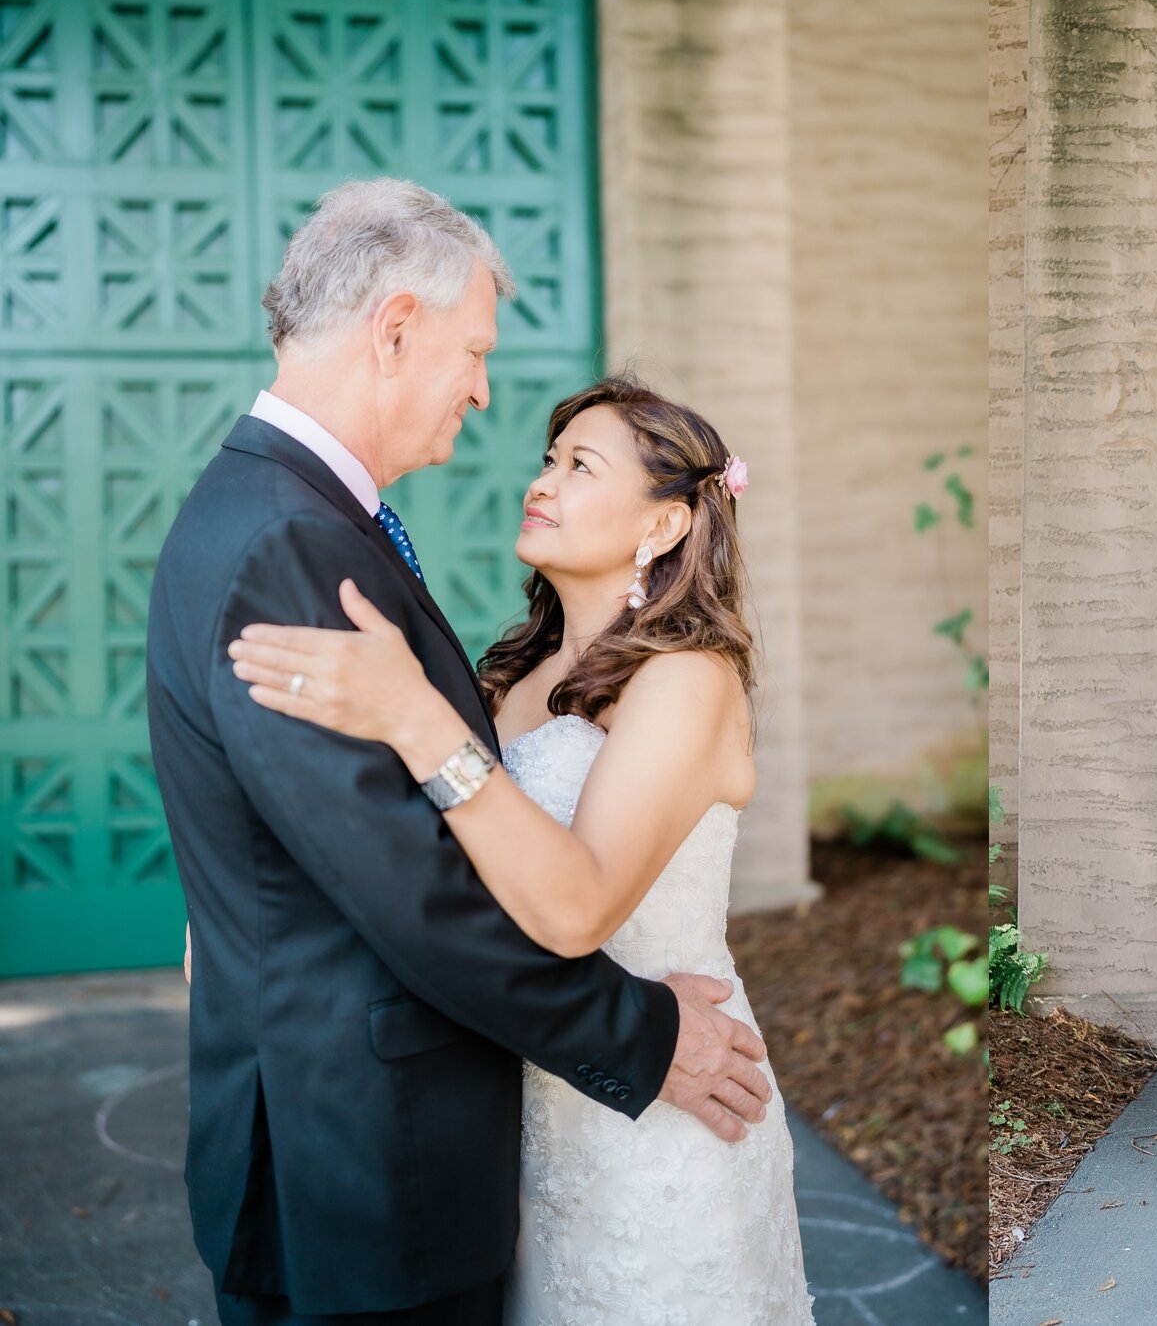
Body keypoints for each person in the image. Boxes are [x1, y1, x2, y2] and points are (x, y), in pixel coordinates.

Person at [146, 179, 789, 1325]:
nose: (486, 397)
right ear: (396, 330)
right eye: (475, 352)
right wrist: (638, 1037)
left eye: (580, 464)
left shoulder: (278, 518)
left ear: (667, 521)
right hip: (371, 1151)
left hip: (548, 1135)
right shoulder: (296, 543)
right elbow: (405, 883)